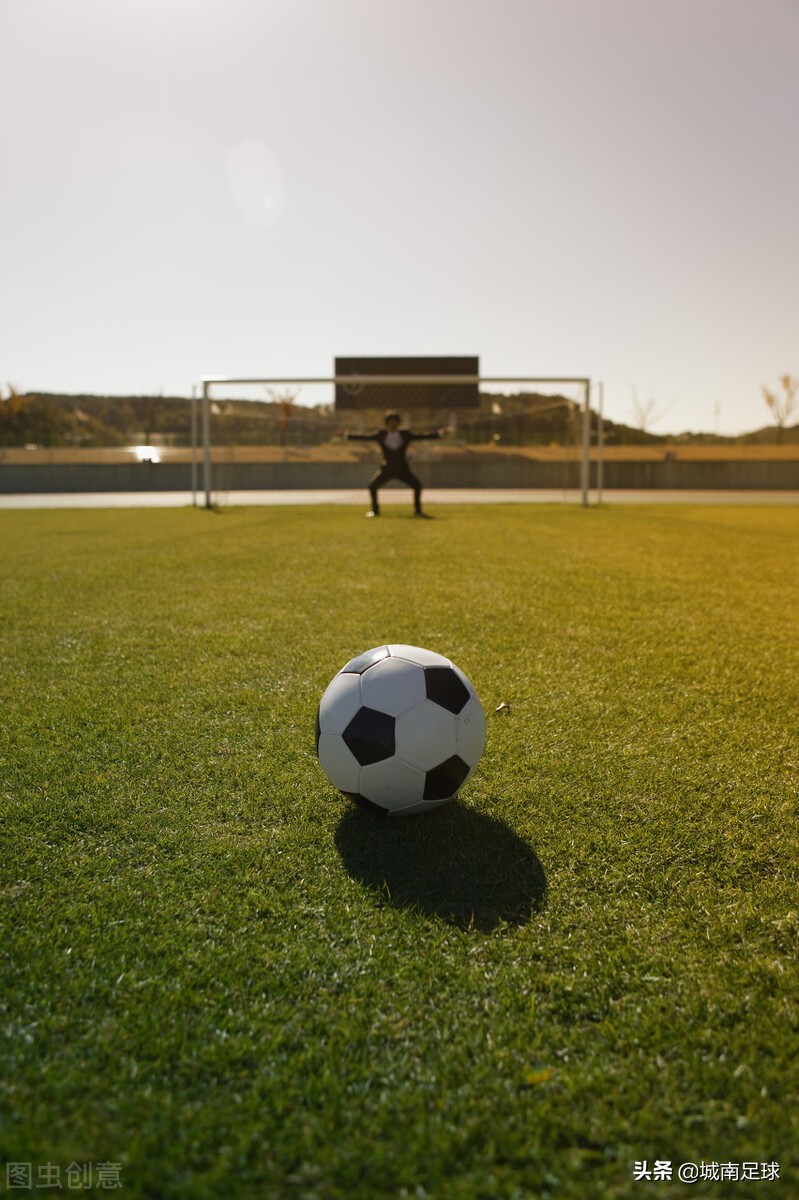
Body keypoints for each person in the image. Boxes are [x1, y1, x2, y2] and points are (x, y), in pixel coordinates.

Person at [343, 411, 449, 517]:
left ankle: (418, 512)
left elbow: (421, 436)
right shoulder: (381, 434)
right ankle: (375, 511)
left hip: (402, 469)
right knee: (373, 487)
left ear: (399, 423)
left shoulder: (405, 434)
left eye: (395, 422)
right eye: (390, 422)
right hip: (387, 468)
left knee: (417, 486)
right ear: (387, 423)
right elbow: (365, 438)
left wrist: (440, 434)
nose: (393, 424)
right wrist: (346, 435)